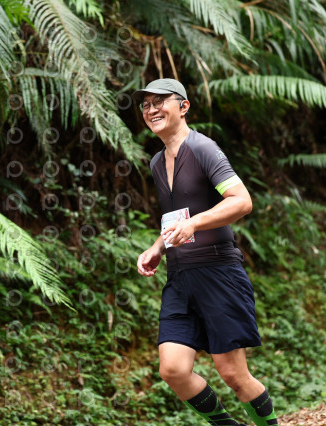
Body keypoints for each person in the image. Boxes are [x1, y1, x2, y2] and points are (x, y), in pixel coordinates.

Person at [133, 78, 278, 426]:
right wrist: (157, 247)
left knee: (233, 375)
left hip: (218, 273)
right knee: (173, 369)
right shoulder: (157, 162)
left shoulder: (203, 149)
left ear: (183, 106)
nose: (152, 110)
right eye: (146, 105)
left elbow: (241, 201)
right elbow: (178, 218)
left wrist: (195, 224)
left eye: (160, 101)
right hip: (180, 278)